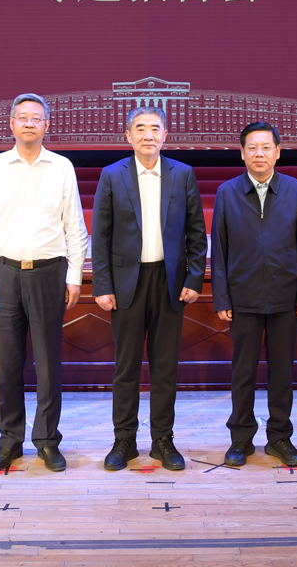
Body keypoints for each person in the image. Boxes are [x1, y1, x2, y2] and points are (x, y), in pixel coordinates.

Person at [0, 93, 87, 473]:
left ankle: (48, 441)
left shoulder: (62, 167)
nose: (29, 123)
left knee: (49, 364)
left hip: (49, 274)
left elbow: (74, 226)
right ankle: (10, 440)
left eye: (36, 118)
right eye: (22, 117)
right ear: (11, 123)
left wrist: (73, 276)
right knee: (7, 364)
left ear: (47, 125)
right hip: (4, 274)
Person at [91, 106, 206, 472]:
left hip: (169, 283)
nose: (148, 135)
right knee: (125, 367)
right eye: (140, 128)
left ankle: (163, 440)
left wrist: (193, 278)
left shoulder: (182, 174)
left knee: (165, 367)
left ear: (165, 135)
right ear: (128, 136)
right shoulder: (112, 175)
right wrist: (102, 285)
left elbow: (196, 233)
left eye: (155, 128)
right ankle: (124, 440)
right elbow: (101, 235)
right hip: (127, 283)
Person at [211, 121, 297, 468]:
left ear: (278, 152)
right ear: (242, 153)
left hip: (286, 299)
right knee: (242, 373)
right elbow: (219, 249)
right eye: (252, 147)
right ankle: (241, 439)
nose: (260, 153)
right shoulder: (227, 192)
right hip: (242, 298)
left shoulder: (295, 190)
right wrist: (222, 298)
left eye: (266, 147)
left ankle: (280, 437)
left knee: (282, 373)